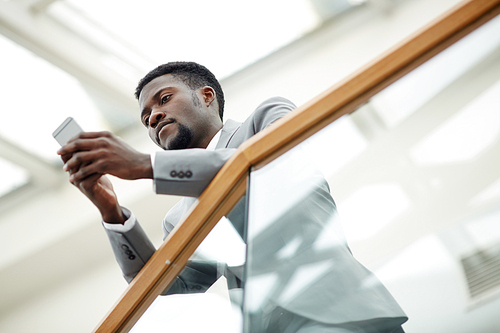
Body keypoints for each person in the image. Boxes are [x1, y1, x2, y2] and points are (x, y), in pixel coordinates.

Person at [58, 62, 407, 332]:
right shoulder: (179, 215)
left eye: (163, 100)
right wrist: (111, 210)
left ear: (206, 96)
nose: (154, 117)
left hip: (337, 311)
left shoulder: (266, 117)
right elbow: (166, 284)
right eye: (146, 118)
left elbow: (268, 168)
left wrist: (147, 165)